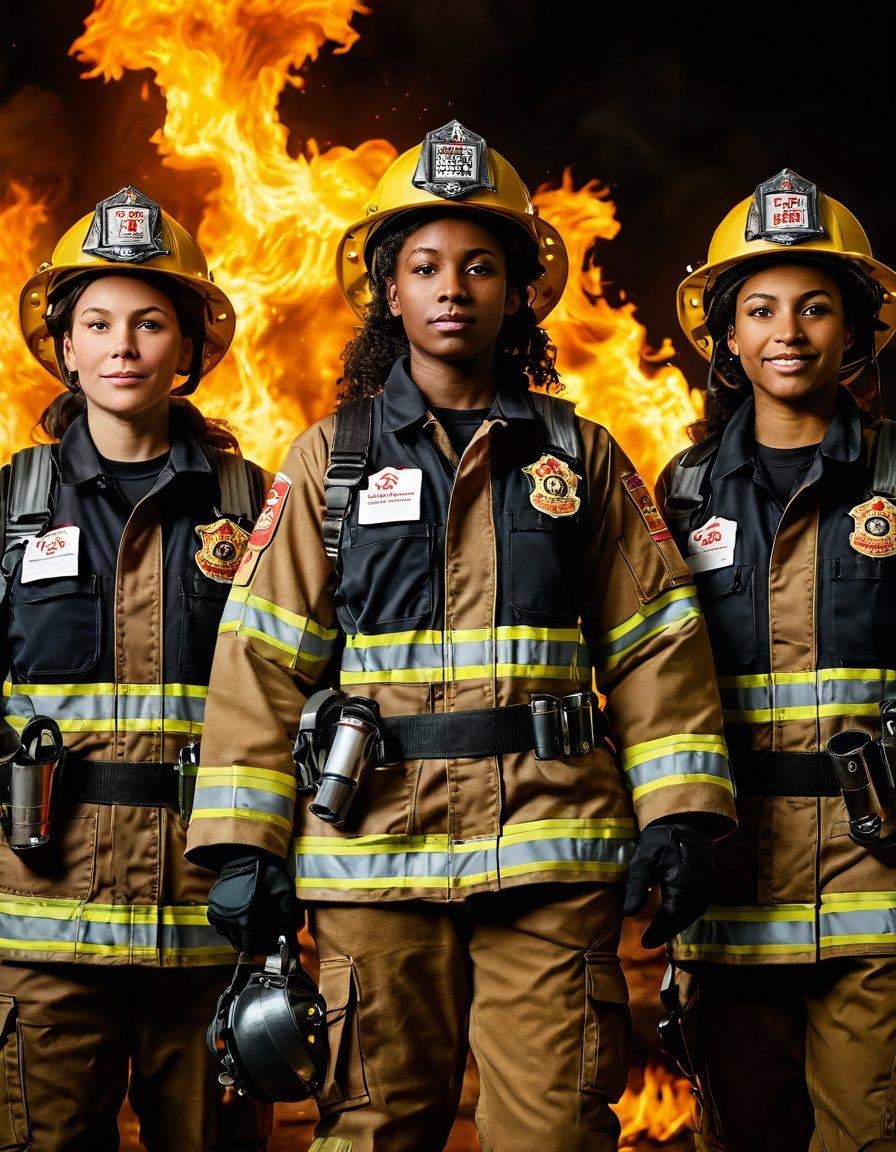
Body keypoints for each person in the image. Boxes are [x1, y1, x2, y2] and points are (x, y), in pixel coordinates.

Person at [186, 121, 736, 1152]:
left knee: (553, 1131)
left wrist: (681, 817)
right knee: (375, 1128)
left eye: (480, 265)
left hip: (548, 856)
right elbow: (260, 652)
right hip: (372, 862)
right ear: (386, 293)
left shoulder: (575, 456)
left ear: (518, 290)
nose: (452, 287)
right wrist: (241, 846)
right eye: (425, 266)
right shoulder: (326, 463)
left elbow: (657, 639)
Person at [0, 186, 273, 1151]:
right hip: (43, 928)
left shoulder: (256, 509)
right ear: (64, 348)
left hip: (206, 924)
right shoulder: (11, 507)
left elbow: (290, 691)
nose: (123, 346)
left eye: (150, 322)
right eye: (98, 323)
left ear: (189, 349)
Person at [656, 168, 896, 1152]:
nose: (786, 331)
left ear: (854, 331)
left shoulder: (893, 479)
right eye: (757, 309)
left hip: (874, 883)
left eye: (812, 307)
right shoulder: (676, 495)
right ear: (723, 337)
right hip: (730, 882)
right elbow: (645, 678)